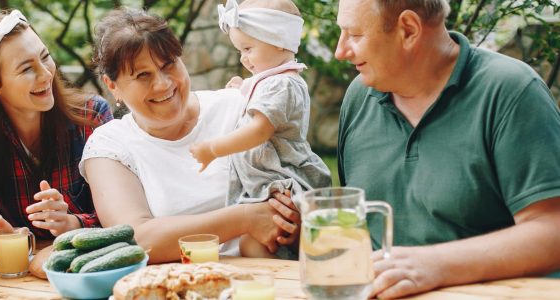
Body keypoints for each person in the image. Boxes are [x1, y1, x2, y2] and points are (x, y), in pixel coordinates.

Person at [334, 0, 560, 298]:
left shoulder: (511, 91)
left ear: (408, 29)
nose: (340, 51)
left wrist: (436, 265)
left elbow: (551, 231)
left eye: (355, 34)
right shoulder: (359, 96)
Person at [80, 8, 301, 264]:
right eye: (143, 75)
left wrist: (292, 218)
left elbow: (298, 181)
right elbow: (136, 240)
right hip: (173, 286)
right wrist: (245, 219)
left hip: (266, 280)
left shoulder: (241, 108)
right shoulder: (110, 145)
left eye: (168, 65)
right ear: (112, 86)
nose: (163, 84)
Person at [0, 10, 111, 267]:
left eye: (45, 57)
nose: (45, 74)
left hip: (91, 270)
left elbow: (124, 217)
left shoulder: (92, 117)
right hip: (15, 284)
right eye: (26, 69)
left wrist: (72, 223)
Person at [190, 0, 331, 259]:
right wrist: (241, 90)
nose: (243, 57)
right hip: (264, 181)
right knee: (258, 243)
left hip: (279, 181)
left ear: (278, 41)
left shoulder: (282, 84)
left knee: (254, 244)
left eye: (248, 48)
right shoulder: (271, 81)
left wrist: (213, 148)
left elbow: (259, 130)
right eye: (239, 50)